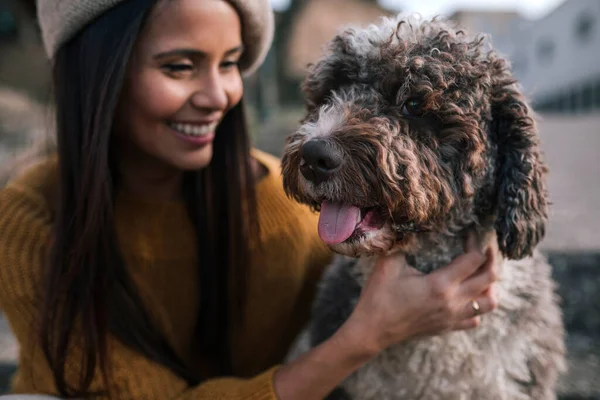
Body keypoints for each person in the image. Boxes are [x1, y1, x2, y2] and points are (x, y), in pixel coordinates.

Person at [0, 0, 499, 399]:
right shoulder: (29, 220)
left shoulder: (287, 215)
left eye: (232, 64)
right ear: (95, 73)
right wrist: (362, 339)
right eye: (179, 66)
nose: (218, 95)